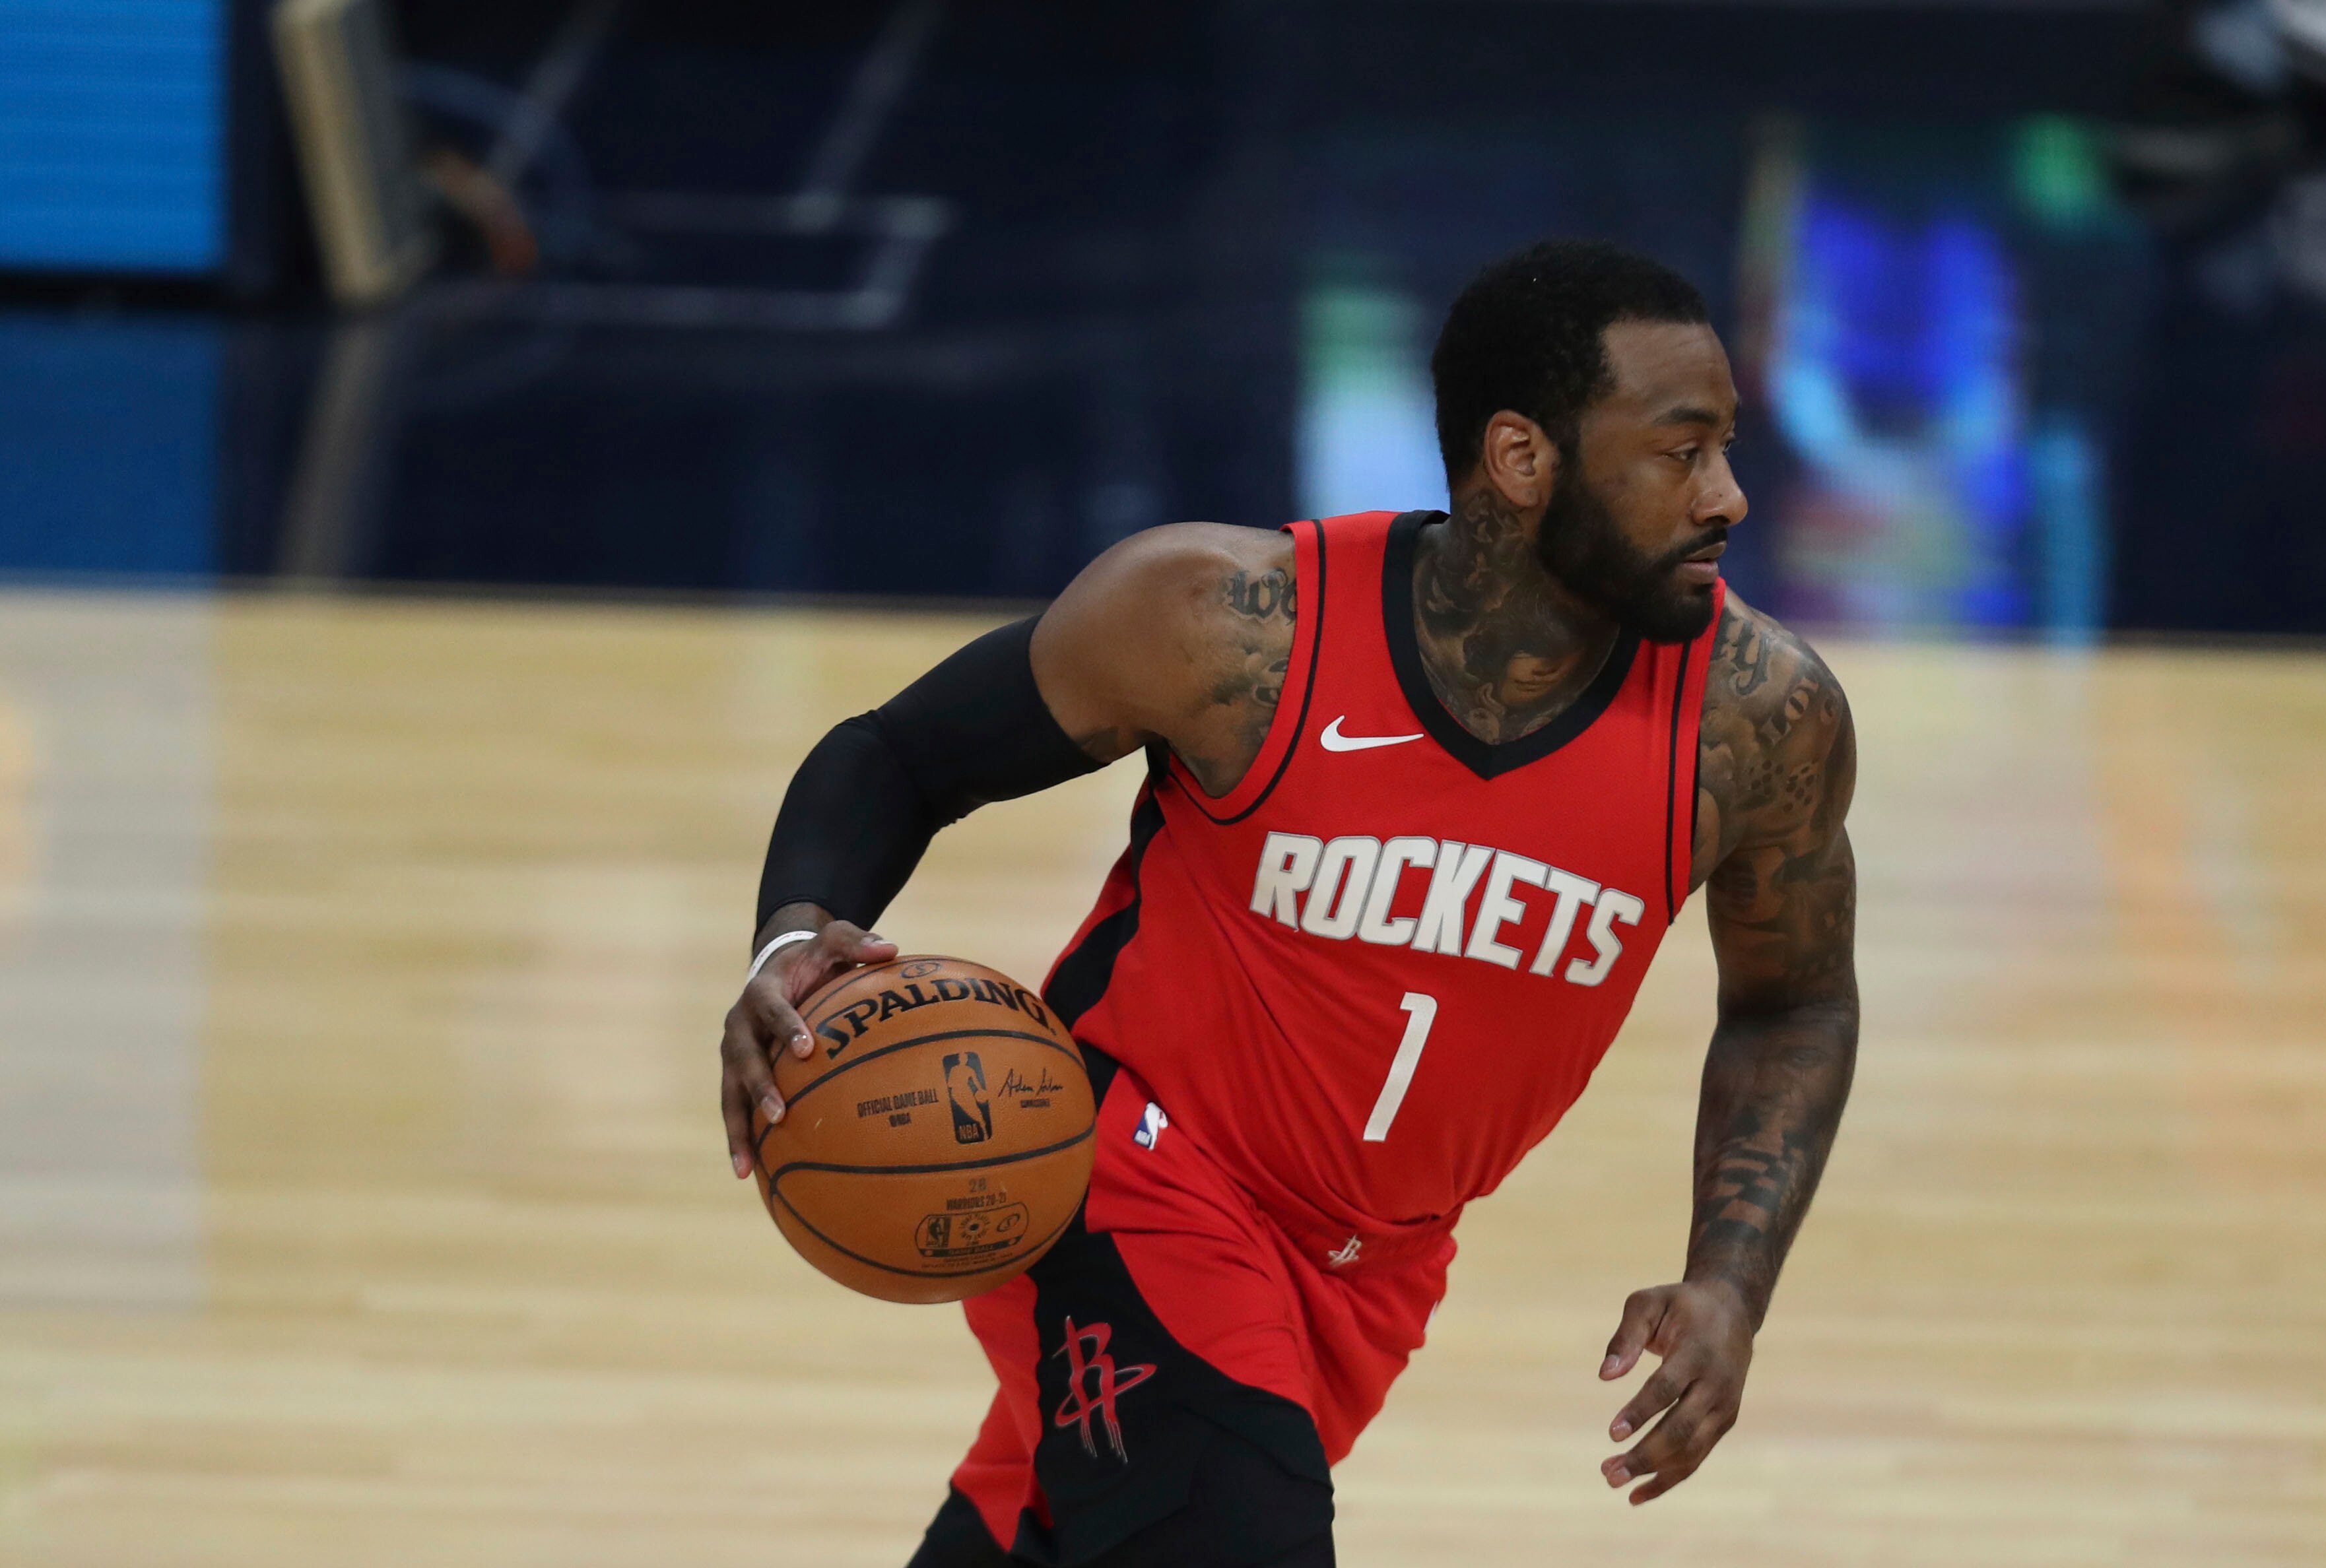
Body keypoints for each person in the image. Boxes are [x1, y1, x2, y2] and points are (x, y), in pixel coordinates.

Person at [715, 239, 1859, 1567]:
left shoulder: (1756, 721)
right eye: (1680, 452)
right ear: (1522, 459)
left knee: (1054, 1524)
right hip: (1127, 1174)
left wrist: (1730, 1283)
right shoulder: (1231, 625)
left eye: (1726, 448)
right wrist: (795, 937)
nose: (1727, 497)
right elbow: (899, 755)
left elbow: (1796, 1003)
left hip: (1374, 1273)